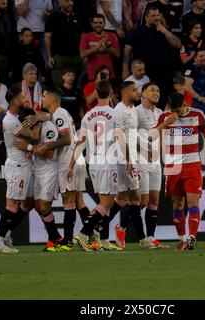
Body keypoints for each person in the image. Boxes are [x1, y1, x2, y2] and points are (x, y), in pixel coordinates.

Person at [149, 92, 205, 251]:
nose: (177, 114)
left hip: (192, 164)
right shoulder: (165, 117)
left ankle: (192, 237)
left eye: (179, 110)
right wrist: (165, 123)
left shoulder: (197, 115)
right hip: (173, 166)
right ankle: (182, 239)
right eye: (174, 110)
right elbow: (150, 137)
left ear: (185, 104)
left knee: (193, 201)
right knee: (177, 204)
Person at [26, 87, 87, 246]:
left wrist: (47, 147)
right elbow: (47, 116)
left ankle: (67, 241)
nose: (42, 97)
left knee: (69, 201)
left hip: (68, 160)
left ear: (52, 99)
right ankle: (93, 236)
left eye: (44, 95)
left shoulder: (59, 114)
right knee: (78, 201)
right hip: (76, 158)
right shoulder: (59, 113)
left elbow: (66, 139)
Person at [68, 80, 122, 251]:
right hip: (108, 162)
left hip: (93, 164)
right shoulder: (115, 114)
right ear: (111, 93)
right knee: (106, 203)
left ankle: (104, 239)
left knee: (103, 203)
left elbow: (80, 142)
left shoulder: (87, 116)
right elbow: (120, 140)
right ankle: (83, 233)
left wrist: (71, 164)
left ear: (96, 94)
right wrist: (129, 160)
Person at [14, 107, 71, 252]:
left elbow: (50, 153)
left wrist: (28, 148)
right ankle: (54, 240)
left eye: (33, 127)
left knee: (44, 206)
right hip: (36, 169)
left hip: (49, 170)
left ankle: (58, 239)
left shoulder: (48, 129)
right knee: (38, 206)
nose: (32, 132)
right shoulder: (32, 128)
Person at [110, 81, 159, 249]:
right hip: (129, 160)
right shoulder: (123, 111)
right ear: (125, 93)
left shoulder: (133, 110)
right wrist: (133, 157)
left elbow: (134, 136)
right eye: (135, 90)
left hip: (140, 159)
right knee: (135, 200)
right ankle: (102, 225)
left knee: (133, 199)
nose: (136, 93)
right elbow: (121, 137)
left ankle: (144, 238)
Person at [0, 86, 41, 253]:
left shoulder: (16, 118)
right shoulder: (10, 121)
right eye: (21, 96)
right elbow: (34, 137)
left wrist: (29, 146)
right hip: (17, 167)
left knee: (28, 203)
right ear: (13, 100)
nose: (24, 98)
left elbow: (30, 141)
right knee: (12, 205)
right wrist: (37, 123)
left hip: (26, 165)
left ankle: (6, 235)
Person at [122, 6, 181, 107]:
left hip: (164, 75)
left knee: (163, 102)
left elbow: (177, 44)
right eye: (153, 16)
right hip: (145, 74)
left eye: (158, 15)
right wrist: (125, 69)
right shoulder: (137, 31)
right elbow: (127, 50)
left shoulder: (163, 30)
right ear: (146, 18)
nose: (156, 18)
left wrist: (165, 31)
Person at [135, 82, 166, 247]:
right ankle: (122, 226)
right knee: (142, 202)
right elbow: (130, 135)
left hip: (155, 163)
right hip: (141, 162)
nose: (156, 92)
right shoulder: (137, 112)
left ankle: (150, 237)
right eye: (152, 90)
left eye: (158, 90)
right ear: (143, 94)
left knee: (154, 200)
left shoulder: (160, 113)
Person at [45, 0, 84, 86]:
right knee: (58, 85)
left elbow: (82, 37)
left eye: (71, 1)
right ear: (60, 3)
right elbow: (47, 38)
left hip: (76, 57)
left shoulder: (78, 17)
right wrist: (49, 56)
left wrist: (83, 54)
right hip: (59, 57)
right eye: (67, 1)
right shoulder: (52, 17)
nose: (70, 3)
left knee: (75, 85)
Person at [80, 13, 120, 82]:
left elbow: (117, 54)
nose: (98, 25)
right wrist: (98, 46)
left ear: (104, 24)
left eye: (100, 22)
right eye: (95, 23)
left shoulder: (112, 36)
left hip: (109, 74)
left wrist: (108, 46)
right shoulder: (86, 37)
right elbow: (82, 54)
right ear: (92, 24)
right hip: (92, 75)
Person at [184, 47, 205, 119]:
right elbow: (186, 86)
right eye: (201, 56)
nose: (204, 58)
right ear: (195, 58)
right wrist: (199, 97)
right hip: (199, 103)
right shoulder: (192, 69)